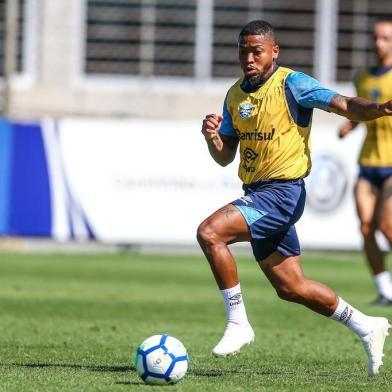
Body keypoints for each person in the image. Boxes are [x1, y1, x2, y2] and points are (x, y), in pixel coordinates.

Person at [197, 20, 391, 376]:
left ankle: (238, 323)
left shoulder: (293, 84)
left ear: (274, 51)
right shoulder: (235, 95)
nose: (249, 58)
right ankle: (367, 325)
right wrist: (214, 139)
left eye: (257, 51)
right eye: (244, 51)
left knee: (210, 232)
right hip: (257, 192)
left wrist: (376, 109)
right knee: (292, 287)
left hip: (283, 193)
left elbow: (345, 104)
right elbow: (226, 157)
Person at [338, 19, 392, 305]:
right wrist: (351, 126)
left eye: (385, 38)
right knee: (365, 227)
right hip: (368, 162)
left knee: (387, 226)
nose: (378, 43)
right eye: (376, 37)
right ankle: (386, 289)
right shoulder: (363, 76)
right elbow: (362, 113)